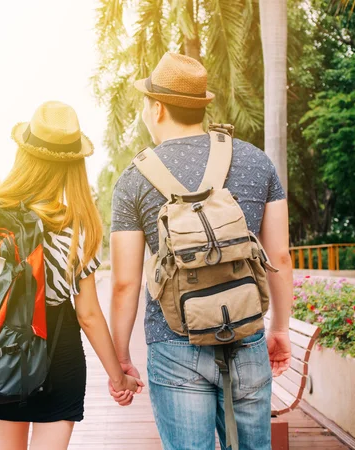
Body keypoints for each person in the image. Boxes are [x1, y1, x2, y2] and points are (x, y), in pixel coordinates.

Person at [109, 53, 293, 450]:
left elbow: (125, 282)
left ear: (157, 108)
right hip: (246, 335)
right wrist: (279, 328)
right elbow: (280, 257)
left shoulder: (134, 178)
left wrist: (120, 358)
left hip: (173, 341)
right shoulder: (255, 160)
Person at [0, 100, 144, 450]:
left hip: (6, 353)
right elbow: (88, 315)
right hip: (58, 355)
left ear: (24, 158)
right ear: (73, 165)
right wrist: (118, 377)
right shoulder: (78, 227)